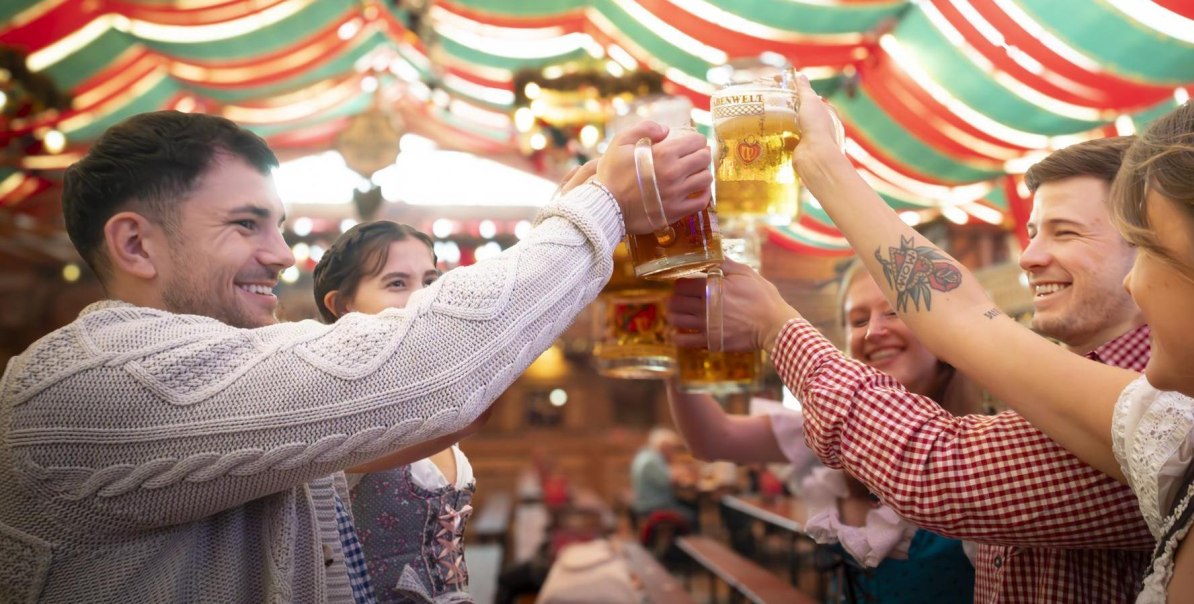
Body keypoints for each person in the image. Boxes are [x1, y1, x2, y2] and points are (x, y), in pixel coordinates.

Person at [686, 61, 1194, 602]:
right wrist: (820, 163)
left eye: (1152, 247)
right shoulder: (1188, 441)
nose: (1135, 282)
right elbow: (965, 316)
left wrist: (778, 324)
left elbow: (936, 461)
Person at [0, 110, 710, 602]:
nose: (281, 256)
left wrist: (571, 211)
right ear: (134, 245)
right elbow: (427, 376)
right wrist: (597, 213)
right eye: (246, 225)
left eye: (277, 226)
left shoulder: (220, 366)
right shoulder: (88, 385)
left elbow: (427, 412)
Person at [672, 137, 1158, 603]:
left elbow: (934, 467)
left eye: (1065, 231)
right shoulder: (1054, 396)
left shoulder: (1158, 411)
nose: (1028, 258)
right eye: (1031, 234)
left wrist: (776, 328)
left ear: (1148, 250)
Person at [665, 262, 978, 603]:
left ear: (947, 329)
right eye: (858, 320)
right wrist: (671, 352)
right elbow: (713, 439)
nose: (873, 332)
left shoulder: (983, 450)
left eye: (894, 311)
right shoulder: (830, 431)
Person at [311, 220, 482, 603]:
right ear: (343, 305)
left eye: (429, 281)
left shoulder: (432, 398)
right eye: (397, 283)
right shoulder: (337, 407)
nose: (423, 298)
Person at [629, 427, 697, 526]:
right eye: (671, 448)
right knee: (691, 515)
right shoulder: (651, 461)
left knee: (688, 505)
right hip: (653, 505)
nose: (672, 451)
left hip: (647, 503)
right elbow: (668, 481)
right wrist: (673, 463)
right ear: (664, 446)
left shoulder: (645, 455)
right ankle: (684, 539)